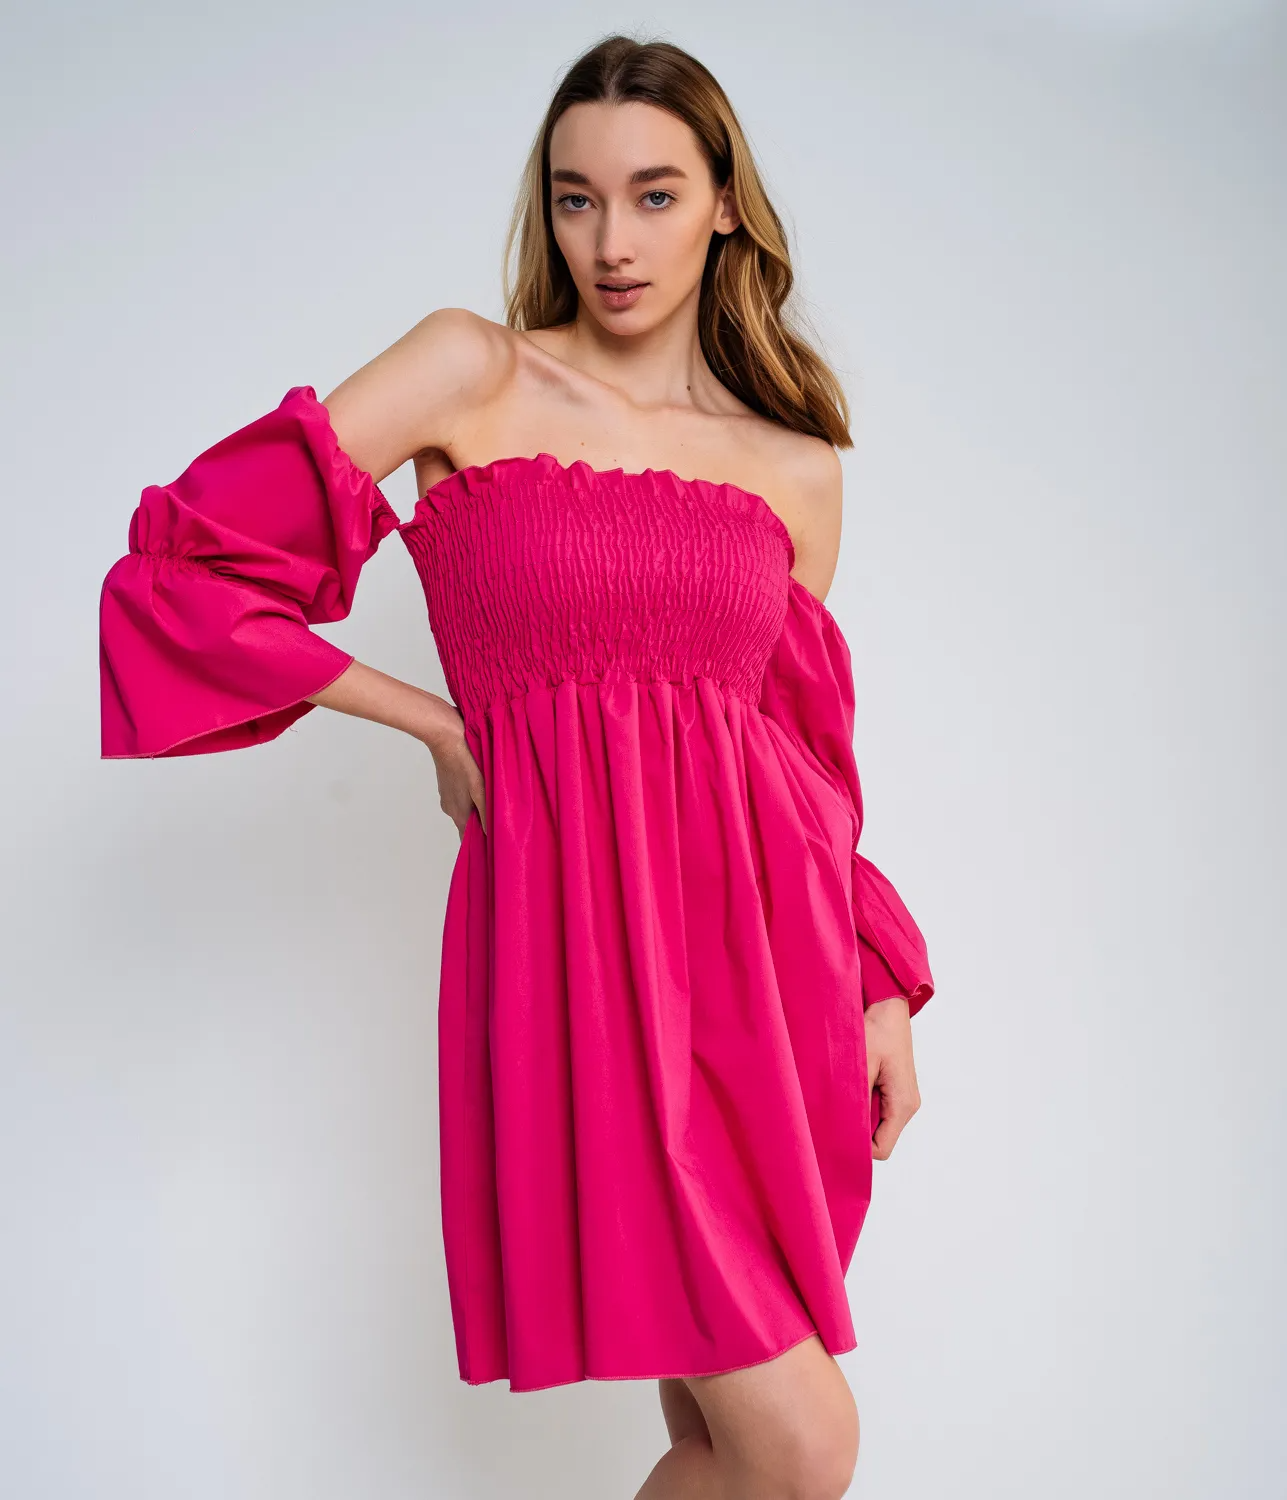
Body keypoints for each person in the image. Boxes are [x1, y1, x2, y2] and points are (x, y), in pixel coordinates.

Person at [98, 33, 936, 1500]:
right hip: (579, 964)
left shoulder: (794, 467)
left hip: (760, 973)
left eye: (656, 195)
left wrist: (878, 985)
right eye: (576, 198)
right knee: (803, 1448)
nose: (613, 242)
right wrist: (436, 723)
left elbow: (807, 767)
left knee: (726, 1442)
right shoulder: (470, 371)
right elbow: (183, 576)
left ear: (725, 206)